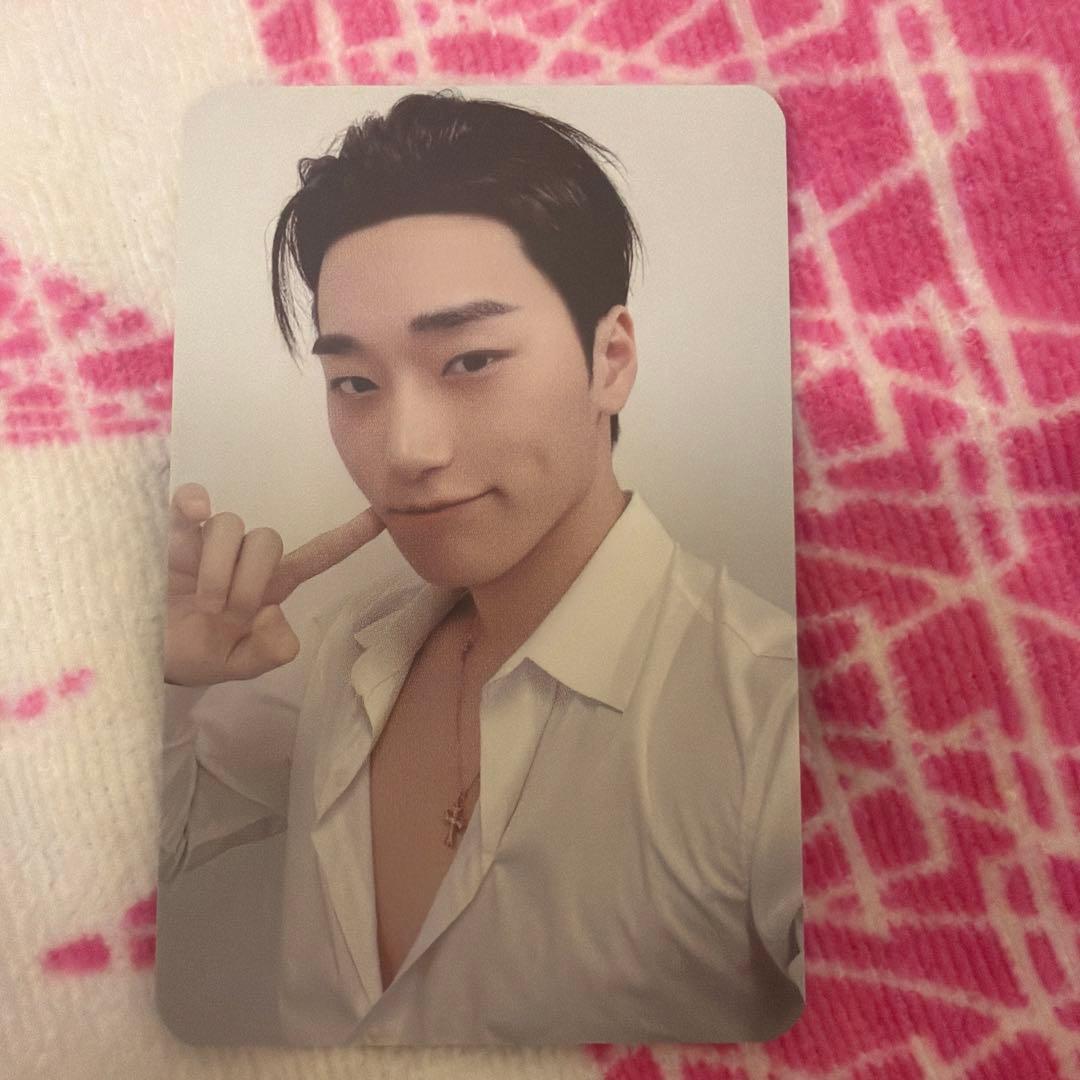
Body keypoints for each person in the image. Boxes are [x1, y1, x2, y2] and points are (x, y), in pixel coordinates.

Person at [158, 89, 804, 1046]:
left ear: (610, 359)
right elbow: (148, 843)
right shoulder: (347, 653)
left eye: (468, 362)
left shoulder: (770, 717)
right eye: (355, 382)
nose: (405, 450)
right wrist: (165, 675)